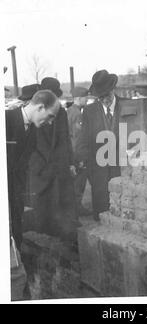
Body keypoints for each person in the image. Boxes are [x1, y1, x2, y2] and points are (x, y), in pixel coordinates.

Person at [6, 90, 60, 300]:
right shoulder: (6, 121)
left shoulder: (32, 131)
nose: (49, 122)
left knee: (15, 247)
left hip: (14, 202)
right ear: (39, 107)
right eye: (49, 116)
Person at [29, 77, 78, 243]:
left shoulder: (61, 113)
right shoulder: (33, 114)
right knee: (44, 207)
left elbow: (65, 138)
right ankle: (45, 239)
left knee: (63, 203)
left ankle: (66, 239)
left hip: (60, 166)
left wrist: (70, 162)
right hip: (41, 169)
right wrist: (39, 167)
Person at [76, 70, 122, 220]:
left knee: (122, 204)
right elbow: (83, 137)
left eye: (106, 95)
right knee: (101, 207)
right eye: (100, 97)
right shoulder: (89, 111)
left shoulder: (126, 106)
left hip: (121, 165)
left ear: (113, 89)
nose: (104, 99)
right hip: (97, 167)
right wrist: (82, 160)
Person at [67, 86, 90, 216]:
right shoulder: (77, 114)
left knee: (73, 184)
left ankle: (75, 209)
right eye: (85, 97)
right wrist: (80, 159)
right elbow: (78, 138)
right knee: (78, 184)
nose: (87, 100)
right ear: (79, 98)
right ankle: (76, 211)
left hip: (71, 153)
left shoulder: (69, 110)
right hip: (77, 154)